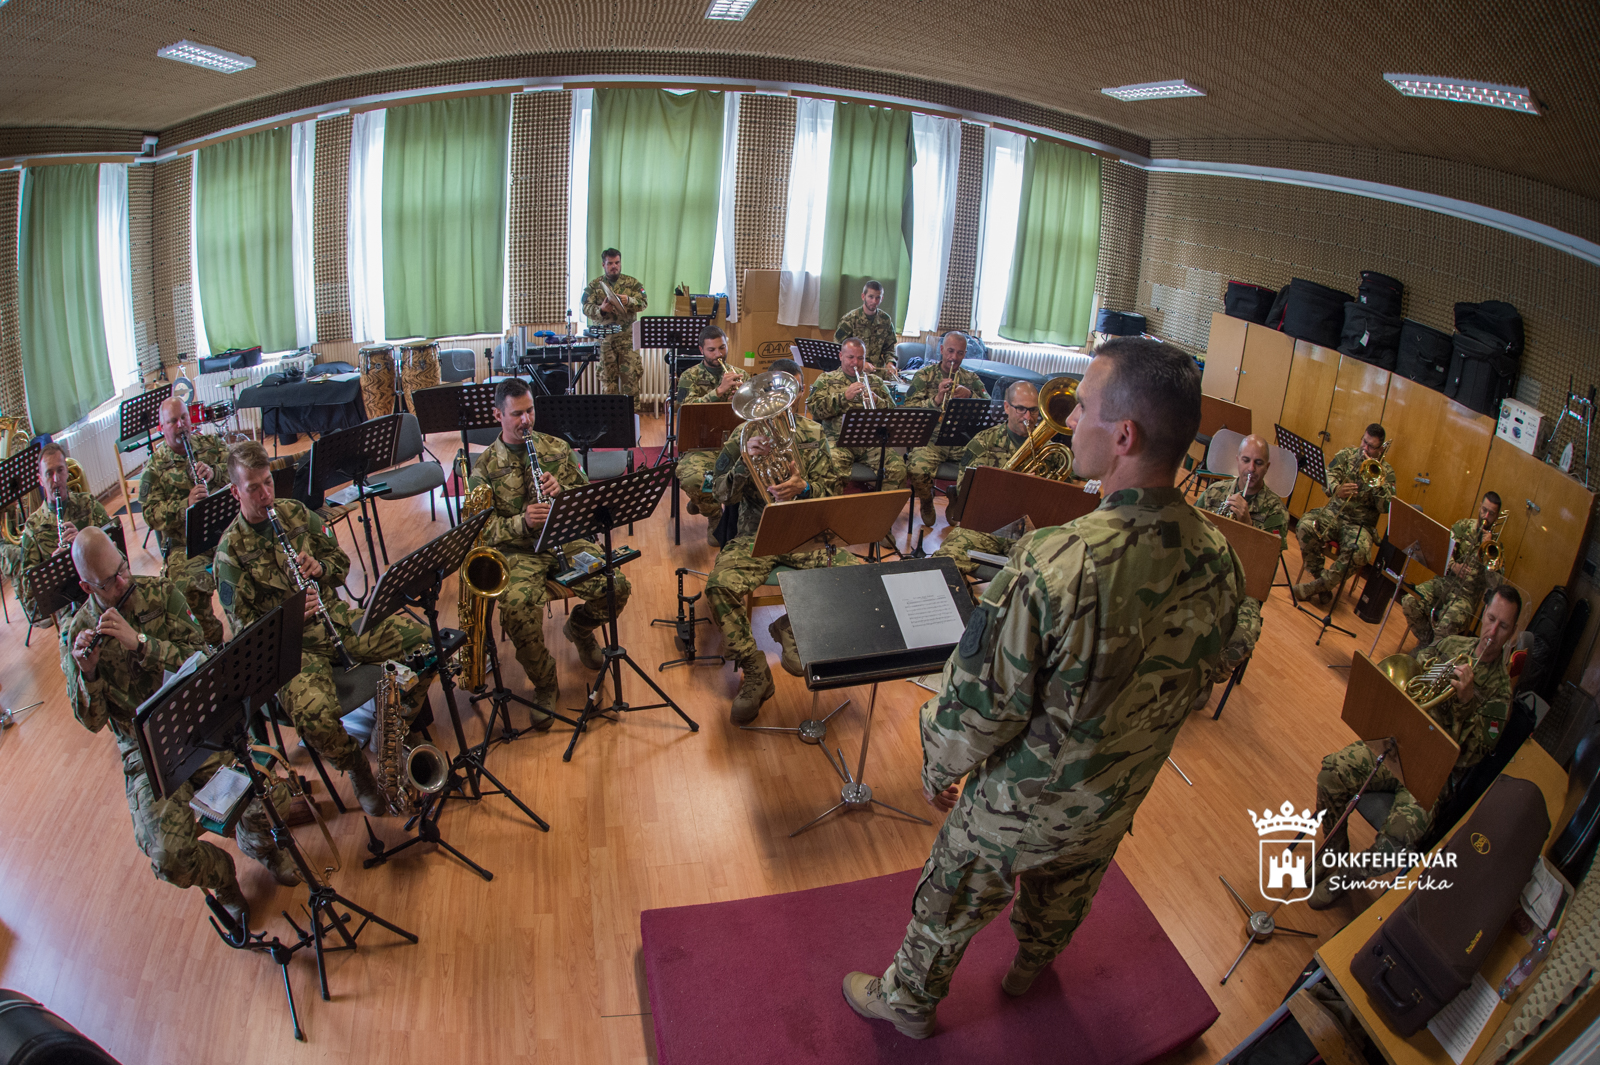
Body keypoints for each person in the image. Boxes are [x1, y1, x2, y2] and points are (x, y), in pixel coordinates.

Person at [841, 337, 1243, 1039]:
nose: (1070, 417)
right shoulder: (1222, 559)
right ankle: (1033, 961)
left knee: (954, 887)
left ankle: (906, 1000)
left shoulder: (1056, 562)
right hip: (1116, 796)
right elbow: (1219, 658)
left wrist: (939, 762)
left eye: (1081, 406)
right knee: (1068, 887)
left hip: (1022, 804)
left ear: (1123, 436)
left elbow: (981, 705)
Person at [62, 526, 299, 931]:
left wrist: (141, 642)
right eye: (109, 580)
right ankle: (222, 879)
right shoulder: (78, 634)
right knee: (169, 857)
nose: (122, 580)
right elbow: (91, 721)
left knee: (270, 792)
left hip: (196, 722)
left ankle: (257, 841)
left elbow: (203, 656)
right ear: (86, 585)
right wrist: (88, 674)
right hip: (145, 753)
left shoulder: (159, 593)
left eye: (122, 567)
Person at [213, 442, 437, 817]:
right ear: (235, 491)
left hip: (339, 623)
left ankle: (389, 729)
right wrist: (289, 618)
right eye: (254, 488)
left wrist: (320, 567)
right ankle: (358, 769)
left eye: (268, 482)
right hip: (293, 651)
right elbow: (244, 636)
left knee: (428, 645)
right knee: (315, 719)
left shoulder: (294, 513)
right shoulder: (230, 553)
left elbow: (340, 562)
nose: (266, 494)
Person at [1308, 584, 1521, 910]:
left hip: (1432, 773)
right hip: (1399, 743)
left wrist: (1465, 703)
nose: (1492, 632)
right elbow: (1418, 664)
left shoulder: (1500, 694)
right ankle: (1334, 850)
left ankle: (1345, 877)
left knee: (1397, 841)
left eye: (1503, 626)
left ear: (1512, 633)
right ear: (1484, 614)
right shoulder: (1455, 644)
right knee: (1332, 773)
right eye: (1491, 619)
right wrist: (1424, 665)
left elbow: (1472, 756)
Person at [705, 359, 861, 723]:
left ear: (799, 394)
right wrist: (746, 462)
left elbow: (832, 492)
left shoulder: (814, 435)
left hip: (805, 533)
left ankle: (789, 625)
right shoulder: (741, 437)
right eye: (774, 394)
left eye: (788, 393)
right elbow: (719, 494)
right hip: (757, 534)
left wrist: (804, 487)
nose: (781, 403)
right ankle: (755, 672)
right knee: (718, 587)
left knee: (857, 578)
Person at [473, 378, 630, 717]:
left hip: (564, 539)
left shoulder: (556, 448)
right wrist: (522, 521)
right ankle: (545, 683)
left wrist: (564, 493)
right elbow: (480, 530)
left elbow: (589, 501)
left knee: (616, 586)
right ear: (497, 415)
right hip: (518, 552)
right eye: (516, 414)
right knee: (515, 608)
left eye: (529, 411)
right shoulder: (484, 468)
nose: (526, 421)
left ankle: (579, 628)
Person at [1191, 435, 1289, 705]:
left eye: (1258, 463)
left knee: (1244, 637)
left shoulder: (1276, 512)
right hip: (1207, 572)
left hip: (1244, 587)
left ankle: (1205, 678)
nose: (1251, 469)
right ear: (1237, 461)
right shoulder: (1215, 492)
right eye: (1246, 461)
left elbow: (1267, 565)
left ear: (1267, 467)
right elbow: (1189, 529)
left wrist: (1246, 522)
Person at [930, 381, 1049, 576]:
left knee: (1058, 574)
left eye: (1033, 410)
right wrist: (1015, 484)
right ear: (1006, 407)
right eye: (1020, 409)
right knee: (944, 561)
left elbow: (1065, 500)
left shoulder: (1049, 450)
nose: (1028, 417)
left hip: (1033, 533)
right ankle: (970, 606)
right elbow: (965, 491)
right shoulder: (983, 442)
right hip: (989, 528)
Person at [138, 398, 228, 647]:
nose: (181, 425)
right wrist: (184, 507)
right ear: (161, 427)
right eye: (173, 421)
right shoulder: (154, 467)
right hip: (186, 544)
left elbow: (238, 467)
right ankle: (212, 642)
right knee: (185, 585)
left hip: (224, 530)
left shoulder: (209, 444)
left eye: (184, 418)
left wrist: (214, 472)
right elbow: (150, 513)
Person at [1293, 423, 1395, 606]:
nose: (1365, 448)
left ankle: (1315, 587)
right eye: (1364, 442)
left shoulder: (1386, 472)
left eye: (1371, 446)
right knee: (1305, 526)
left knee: (1360, 553)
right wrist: (1336, 489)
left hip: (1360, 524)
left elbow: (1385, 507)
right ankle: (1321, 583)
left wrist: (1377, 484)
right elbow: (1328, 477)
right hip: (1333, 514)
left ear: (1380, 450)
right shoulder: (1346, 455)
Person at [903, 332, 991, 530]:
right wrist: (935, 400)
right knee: (916, 469)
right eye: (950, 351)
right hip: (931, 439)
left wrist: (970, 395)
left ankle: (958, 501)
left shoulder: (971, 378)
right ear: (942, 350)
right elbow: (909, 408)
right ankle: (926, 501)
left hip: (962, 440)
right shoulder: (924, 376)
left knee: (983, 468)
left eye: (960, 353)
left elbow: (989, 407)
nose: (954, 358)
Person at [806, 336, 907, 505]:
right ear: (840, 356)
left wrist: (877, 401)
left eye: (861, 358)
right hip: (837, 442)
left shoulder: (875, 381)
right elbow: (814, 410)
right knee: (830, 471)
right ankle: (834, 517)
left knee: (898, 469)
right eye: (851, 357)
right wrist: (843, 397)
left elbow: (892, 412)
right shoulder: (825, 380)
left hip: (871, 443)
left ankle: (880, 518)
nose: (856, 363)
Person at [19, 442, 111, 626]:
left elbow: (117, 552)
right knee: (74, 648)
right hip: (70, 612)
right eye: (49, 473)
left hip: (104, 592)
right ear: (40, 480)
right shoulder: (33, 528)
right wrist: (51, 567)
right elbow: (29, 597)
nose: (55, 479)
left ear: (67, 472)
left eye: (60, 470)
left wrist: (85, 542)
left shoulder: (89, 504)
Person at [674, 326, 747, 544]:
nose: (718, 354)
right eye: (712, 350)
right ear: (701, 350)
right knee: (698, 480)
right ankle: (715, 515)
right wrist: (718, 392)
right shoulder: (690, 376)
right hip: (701, 445)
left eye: (722, 348)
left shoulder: (742, 374)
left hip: (734, 444)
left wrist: (744, 397)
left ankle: (715, 506)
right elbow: (684, 411)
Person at [1401, 492, 1502, 646]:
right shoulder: (1463, 526)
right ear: (1479, 507)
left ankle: (1429, 651)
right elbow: (1442, 551)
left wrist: (1486, 549)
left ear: (1497, 516)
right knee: (1409, 601)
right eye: (1484, 510)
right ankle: (1429, 644)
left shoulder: (1496, 548)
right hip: (1444, 583)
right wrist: (1454, 566)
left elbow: (1496, 584)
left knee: (1447, 622)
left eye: (1491, 514)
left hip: (1466, 598)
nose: (1486, 516)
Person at [581, 248, 648, 397]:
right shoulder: (594, 286)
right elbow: (586, 307)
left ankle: (632, 419)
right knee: (608, 385)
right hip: (606, 342)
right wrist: (601, 309)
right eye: (610, 263)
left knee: (630, 382)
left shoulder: (632, 283)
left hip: (628, 341)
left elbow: (644, 303)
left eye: (617, 262)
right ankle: (611, 419)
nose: (614, 266)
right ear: (603, 265)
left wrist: (629, 300)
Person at [833, 280, 899, 373]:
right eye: (871, 297)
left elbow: (890, 347)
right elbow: (838, 348)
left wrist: (890, 363)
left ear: (882, 298)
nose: (874, 301)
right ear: (863, 296)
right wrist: (860, 363)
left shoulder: (885, 320)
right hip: (854, 371)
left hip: (877, 373)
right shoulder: (850, 319)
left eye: (878, 298)